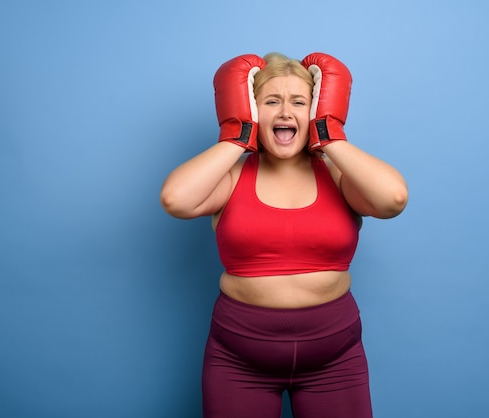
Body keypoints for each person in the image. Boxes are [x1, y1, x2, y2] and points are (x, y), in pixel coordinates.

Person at [160, 52, 408, 418]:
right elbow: (175, 200)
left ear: (314, 110)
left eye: (299, 102)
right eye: (271, 101)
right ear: (252, 109)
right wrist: (237, 134)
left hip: (334, 362)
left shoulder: (338, 175)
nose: (285, 113)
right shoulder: (230, 177)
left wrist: (330, 134)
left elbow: (393, 199)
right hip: (239, 362)